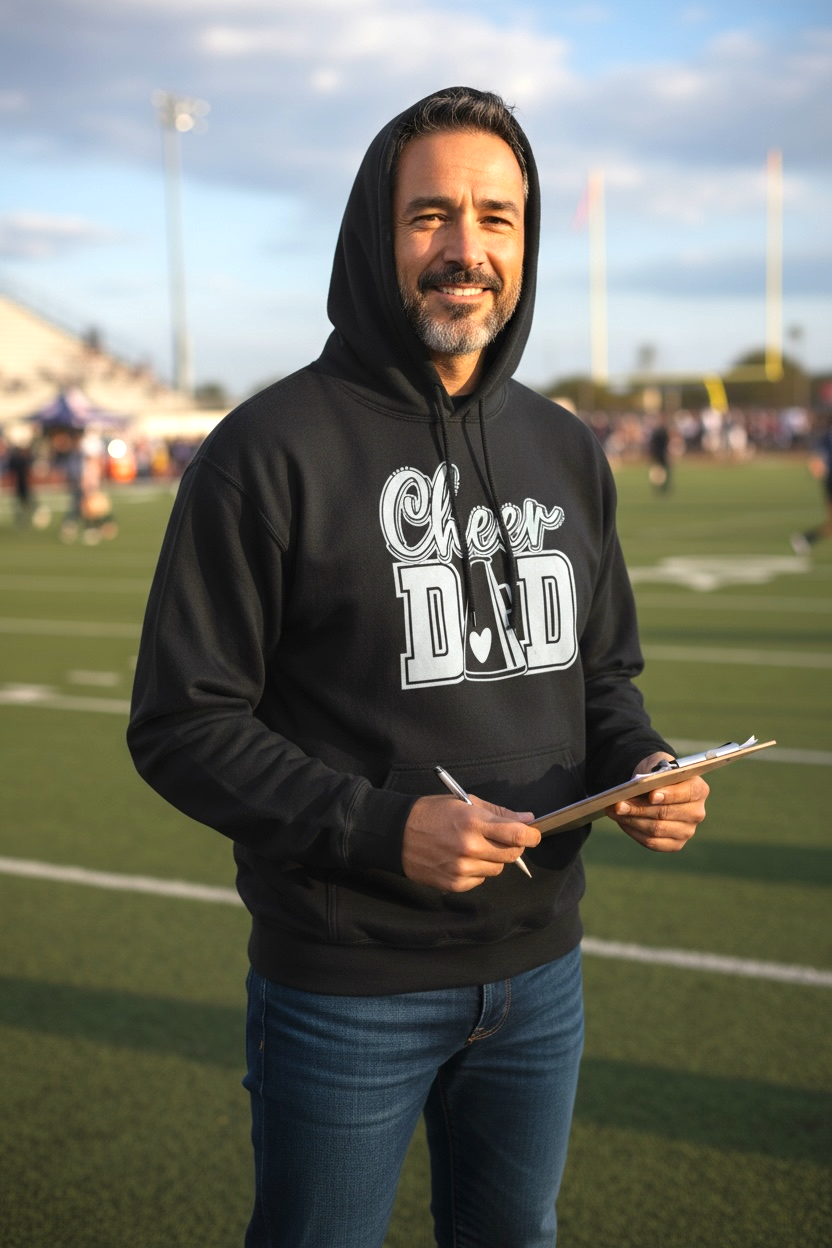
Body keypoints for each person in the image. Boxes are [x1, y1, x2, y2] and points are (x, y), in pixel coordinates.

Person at [128, 87, 709, 1248]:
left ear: (525, 243)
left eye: (497, 218)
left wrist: (641, 763)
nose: (465, 249)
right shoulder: (267, 452)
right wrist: (379, 829)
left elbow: (601, 676)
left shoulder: (564, 448)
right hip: (344, 986)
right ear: (374, 233)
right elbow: (182, 722)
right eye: (430, 215)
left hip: (540, 973)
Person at [791, 414, 832, 554]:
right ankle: (806, 539)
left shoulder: (826, 437)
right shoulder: (827, 438)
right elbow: (817, 462)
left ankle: (807, 539)